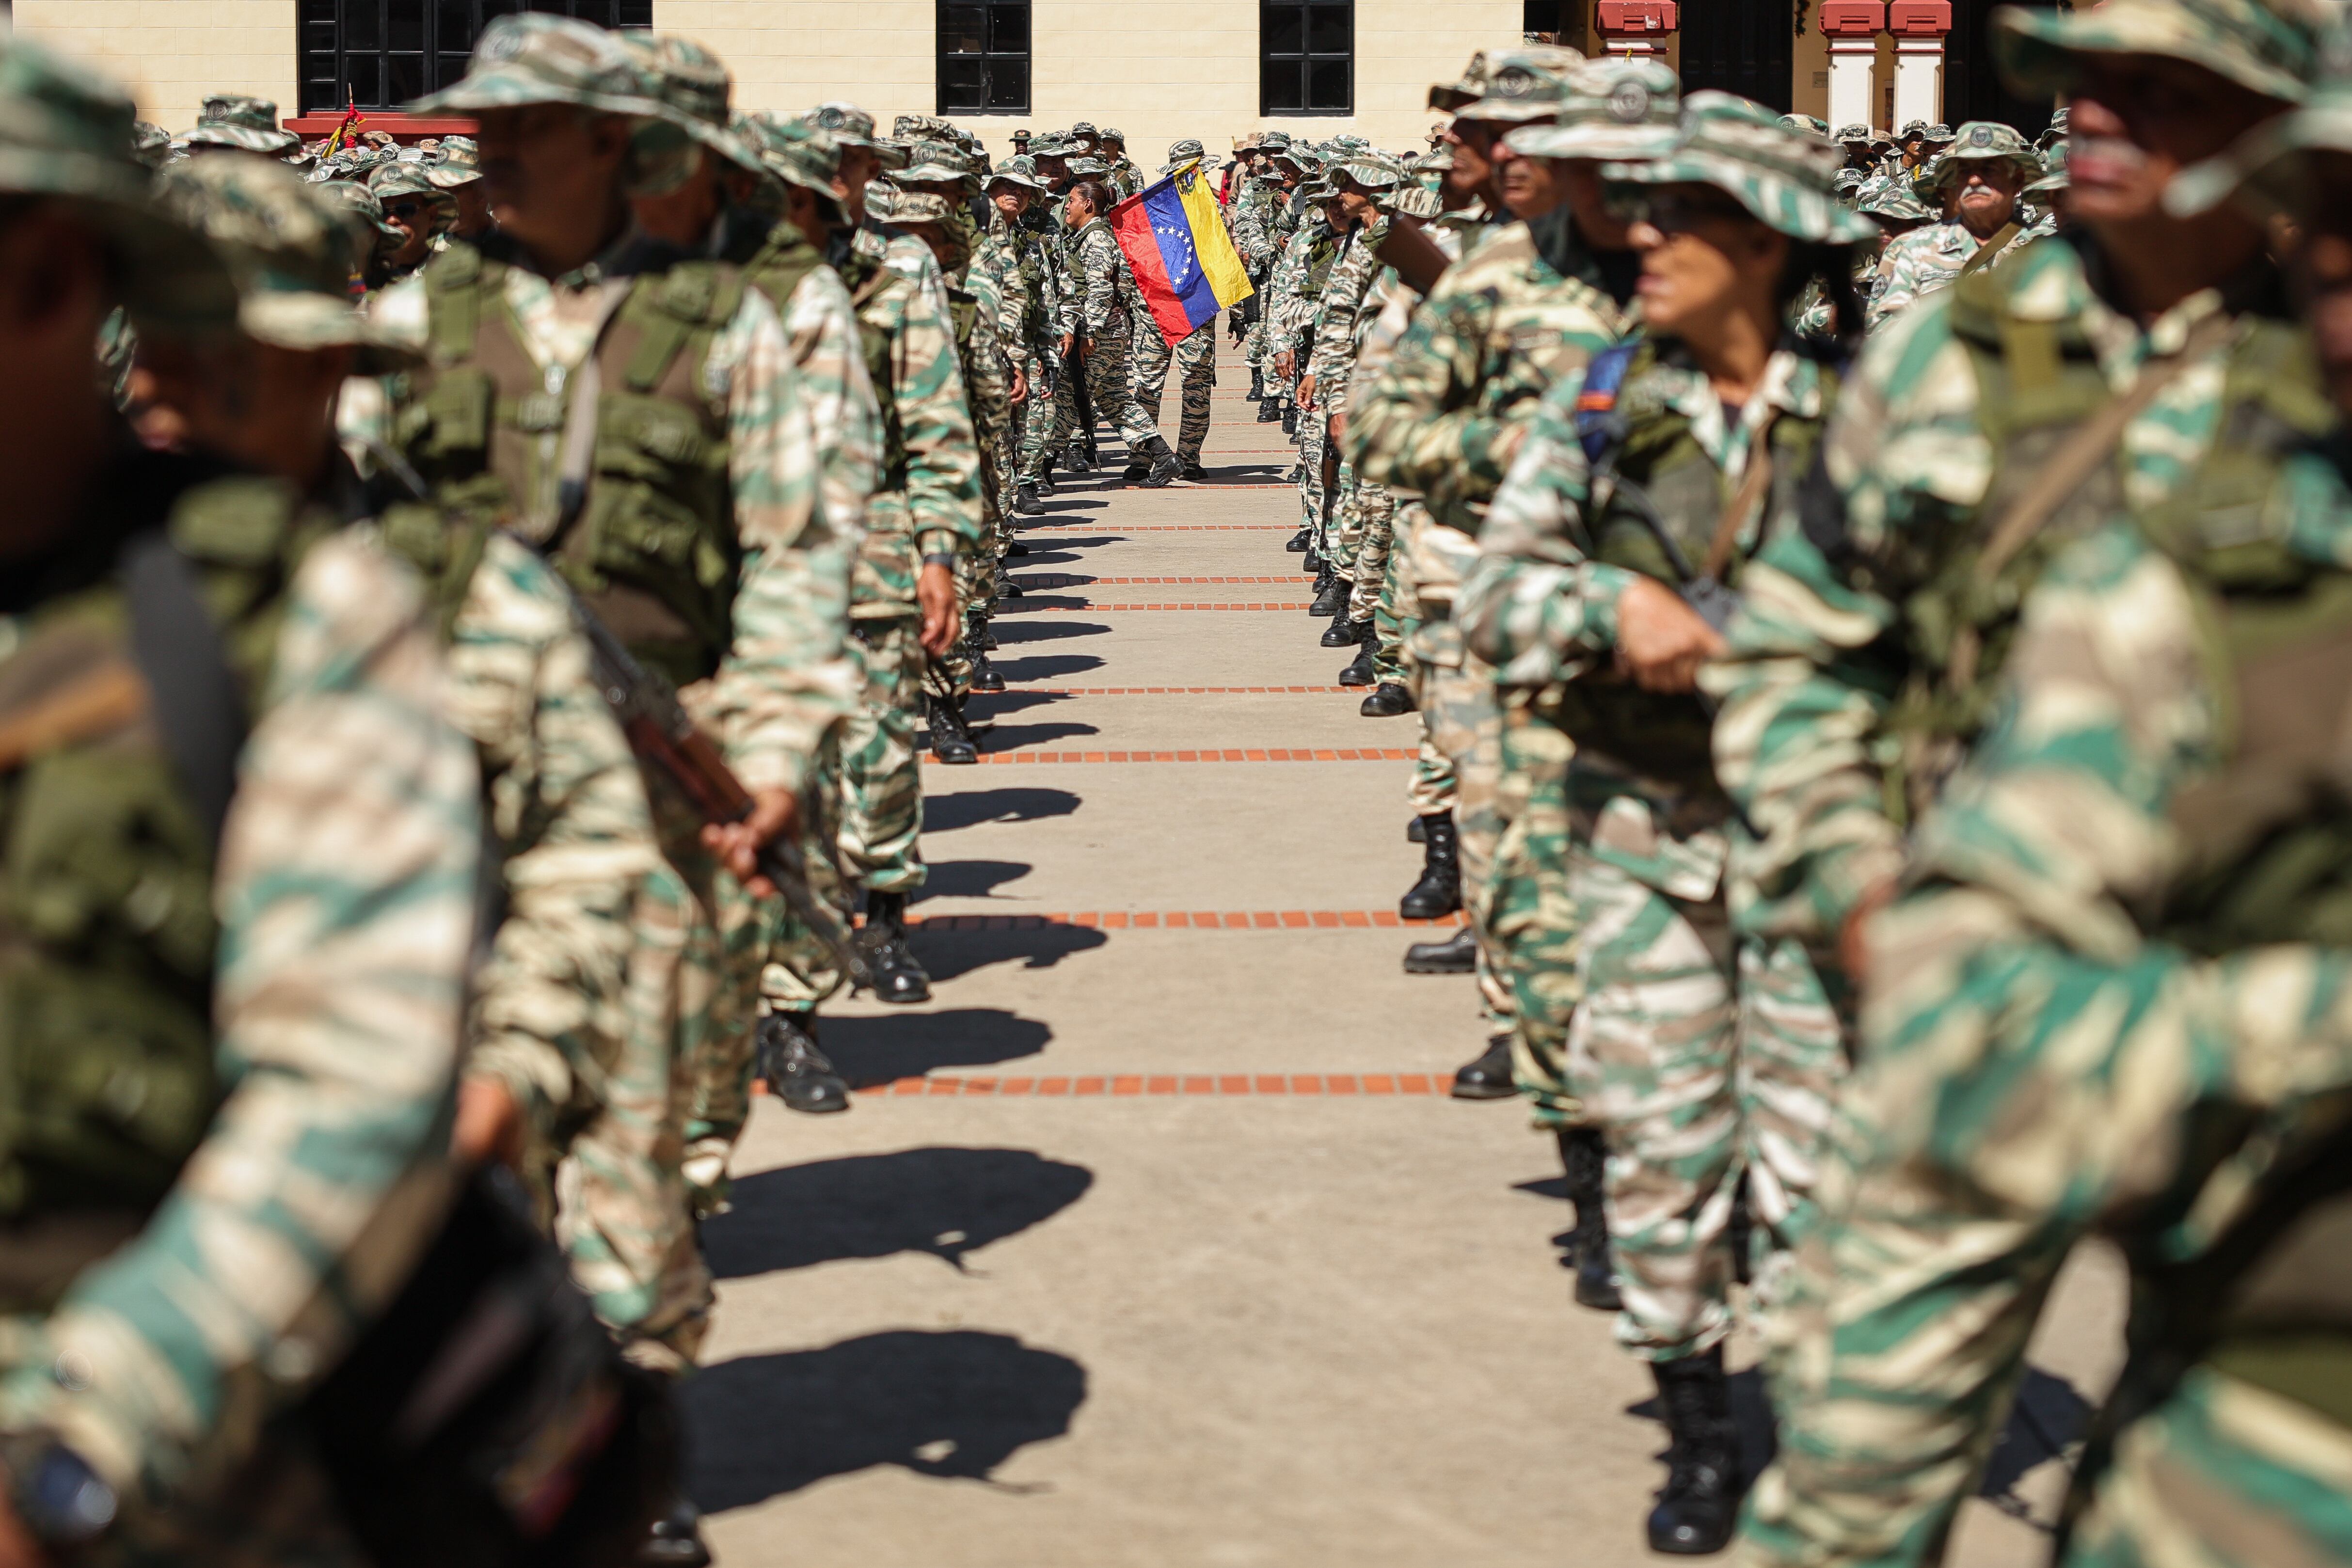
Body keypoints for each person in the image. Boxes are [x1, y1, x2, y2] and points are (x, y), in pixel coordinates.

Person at [1732, 4, 2345, 1560]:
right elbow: (1802, 644)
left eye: (2171, 92)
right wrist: (1848, 888)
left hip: (2268, 997)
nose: (2107, 117)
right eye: (2086, 83)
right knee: (1861, 1465)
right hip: (1984, 981)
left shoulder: (2322, 339)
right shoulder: (1964, 345)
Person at [0, 35, 489, 1562]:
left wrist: (77, 1440)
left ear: (58, 282)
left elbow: (352, 1076)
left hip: (142, 1439)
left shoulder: (292, 614)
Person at [1460, 93, 1871, 1555]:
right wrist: (1602, 601)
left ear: (1765, 243)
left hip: (1823, 851)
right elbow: (1492, 598)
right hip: (1639, 833)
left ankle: (1824, 1433)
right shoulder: (1601, 404)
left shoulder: (1876, 423)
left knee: (1827, 1168)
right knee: (1663, 1148)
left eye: (1680, 216)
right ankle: (1698, 1425)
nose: (1641, 236)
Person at [382, 15, 858, 1206]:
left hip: (659, 765)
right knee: (460, 1118)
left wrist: (770, 753)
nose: (491, 151)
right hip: (446, 773)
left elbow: (794, 552)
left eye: (525, 127)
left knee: (650, 1151)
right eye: (482, 125)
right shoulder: (405, 328)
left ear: (611, 144)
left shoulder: (722, 325)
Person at [1350, 51, 1654, 1148]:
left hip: (1660, 619)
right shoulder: (1489, 281)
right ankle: (1527, 1038)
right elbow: (1382, 430)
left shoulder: (1699, 271)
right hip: (1499, 601)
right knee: (1511, 845)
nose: (1506, 154)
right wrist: (1534, 448)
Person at [1064, 175, 1183, 484]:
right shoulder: (1084, 236)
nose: (1067, 206)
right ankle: (1164, 457)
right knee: (1115, 397)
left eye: (1073, 201)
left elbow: (1101, 289)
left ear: (1088, 205)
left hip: (1100, 333)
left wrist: (1089, 332)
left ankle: (1038, 470)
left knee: (1071, 397)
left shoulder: (1097, 239)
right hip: (1107, 331)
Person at [1865, 119, 2040, 327]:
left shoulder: (2044, 250)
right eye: (1965, 172)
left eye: (1989, 170)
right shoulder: (1917, 249)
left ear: (2018, 180)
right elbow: (1883, 333)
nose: (1974, 181)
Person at [1127, 139, 1221, 483]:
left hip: (1198, 307)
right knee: (1147, 384)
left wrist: (1238, 313)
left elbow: (1226, 265)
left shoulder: (1214, 208)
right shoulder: (1153, 204)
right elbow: (1134, 254)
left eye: (1196, 170)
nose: (1192, 176)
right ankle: (1143, 455)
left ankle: (1189, 458)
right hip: (1155, 307)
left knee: (1196, 384)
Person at [365, 155, 454, 285]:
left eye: (405, 210)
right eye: (383, 211)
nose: (392, 221)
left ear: (432, 216)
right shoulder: (355, 277)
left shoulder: (456, 274)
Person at [426, 133, 493, 242]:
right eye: (437, 190)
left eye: (452, 191)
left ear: (481, 194)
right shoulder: (426, 248)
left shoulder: (517, 249)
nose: (440, 202)